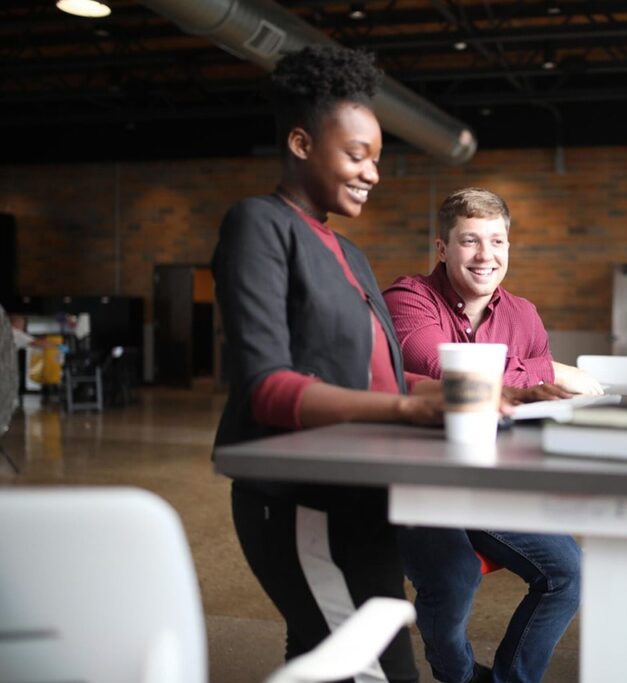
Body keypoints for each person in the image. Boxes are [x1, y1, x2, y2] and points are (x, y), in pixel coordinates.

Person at [211, 45, 446, 683]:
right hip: (300, 500)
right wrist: (407, 408)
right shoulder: (259, 225)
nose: (372, 173)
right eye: (356, 154)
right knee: (381, 671)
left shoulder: (349, 251)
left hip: (361, 495)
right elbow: (267, 387)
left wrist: (486, 390)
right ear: (300, 142)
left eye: (376, 157)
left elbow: (381, 376)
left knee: (325, 662)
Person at [383, 187, 598, 683]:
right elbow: (443, 369)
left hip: (489, 482)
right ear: (442, 248)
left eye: (497, 242)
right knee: (454, 578)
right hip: (421, 484)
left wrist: (544, 377)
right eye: (470, 241)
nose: (486, 256)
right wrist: (546, 371)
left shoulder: (522, 314)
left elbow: (544, 404)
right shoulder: (409, 297)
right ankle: (458, 677)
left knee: (568, 572)